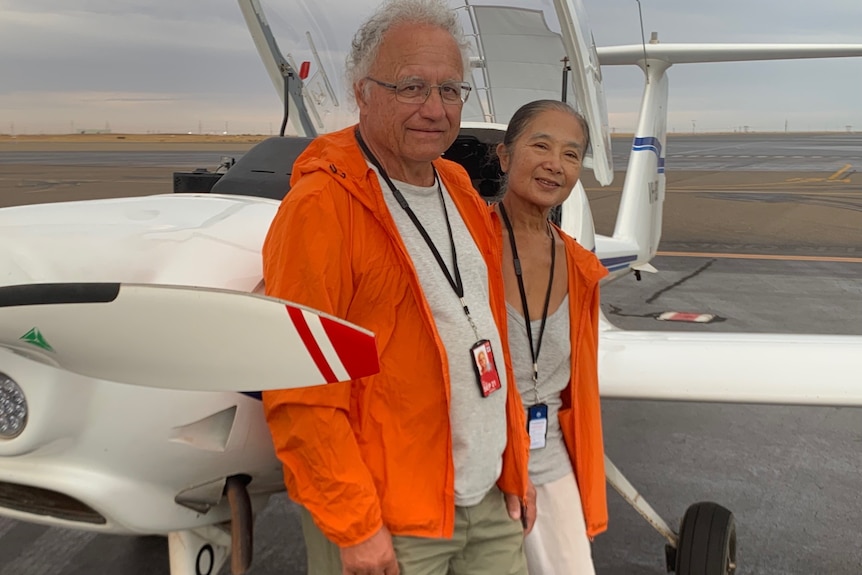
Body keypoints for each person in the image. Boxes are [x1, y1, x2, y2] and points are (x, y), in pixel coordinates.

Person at [261, 1, 532, 574]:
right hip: (392, 521)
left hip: (486, 502)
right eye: (412, 87)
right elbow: (299, 388)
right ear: (362, 92)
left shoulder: (457, 187)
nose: (435, 109)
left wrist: (515, 469)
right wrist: (355, 526)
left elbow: (487, 336)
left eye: (451, 89)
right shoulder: (321, 208)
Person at [492, 100, 609, 574]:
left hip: (550, 455)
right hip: (484, 465)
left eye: (571, 154)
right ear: (503, 156)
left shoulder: (581, 270)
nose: (554, 164)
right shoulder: (464, 249)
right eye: (540, 145)